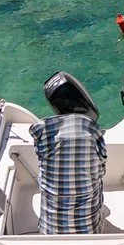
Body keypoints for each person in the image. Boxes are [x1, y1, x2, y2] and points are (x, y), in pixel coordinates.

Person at [31, 72, 105, 235]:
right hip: (89, 232)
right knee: (97, 181)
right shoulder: (94, 135)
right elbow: (101, 172)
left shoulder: (42, 134)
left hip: (48, 232)